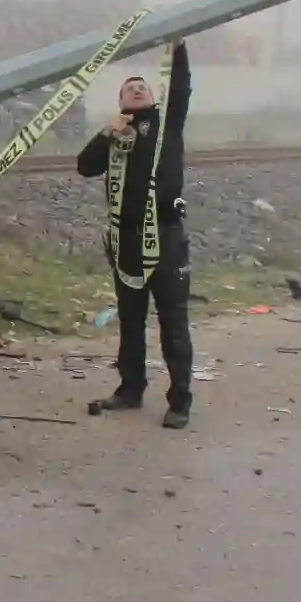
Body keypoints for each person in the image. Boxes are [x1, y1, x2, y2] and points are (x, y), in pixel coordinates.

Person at [76, 40, 193, 429]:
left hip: (166, 237)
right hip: (127, 242)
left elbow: (179, 88)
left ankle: (180, 401)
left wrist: (179, 46)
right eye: (129, 87)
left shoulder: (167, 125)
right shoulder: (116, 137)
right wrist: (108, 132)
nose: (138, 88)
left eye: (143, 85)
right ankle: (130, 389)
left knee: (173, 321)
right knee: (130, 320)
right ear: (120, 101)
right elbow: (84, 166)